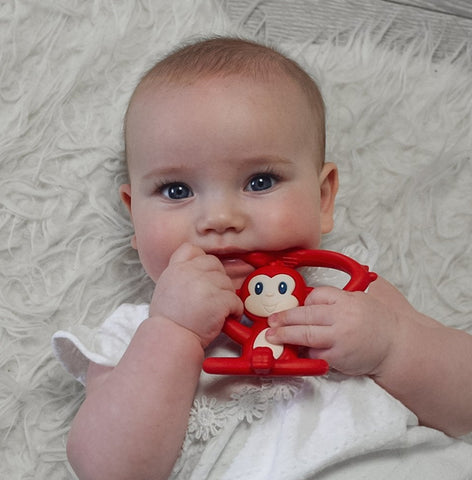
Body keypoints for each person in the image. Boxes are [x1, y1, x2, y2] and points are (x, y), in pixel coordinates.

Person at [52, 37, 472, 480]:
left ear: (322, 197)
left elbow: (464, 407)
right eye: (176, 190)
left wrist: (391, 347)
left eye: (260, 182)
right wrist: (173, 331)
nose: (219, 218)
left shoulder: (353, 293)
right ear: (134, 214)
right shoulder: (133, 335)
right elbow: (106, 470)